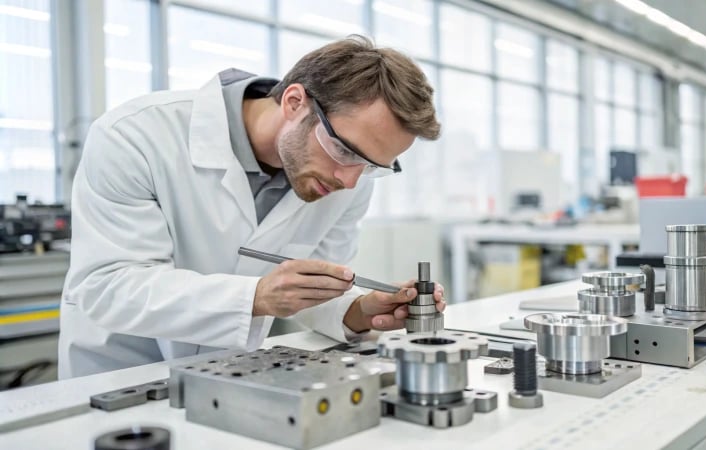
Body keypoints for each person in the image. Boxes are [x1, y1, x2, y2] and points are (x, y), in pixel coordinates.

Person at [58, 35, 443, 378]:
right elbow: (107, 286)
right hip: (124, 374)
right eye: (344, 150)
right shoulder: (136, 135)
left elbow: (314, 291)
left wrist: (360, 310)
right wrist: (256, 296)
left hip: (231, 376)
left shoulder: (348, 179)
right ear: (294, 102)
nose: (350, 181)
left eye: (373, 166)